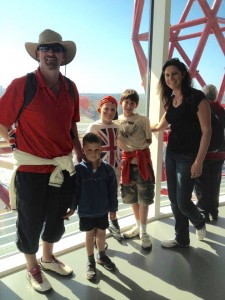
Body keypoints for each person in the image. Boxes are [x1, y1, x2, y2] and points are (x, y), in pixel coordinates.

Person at [0, 29, 83, 292]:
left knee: (57, 218)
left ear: (63, 55)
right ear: (38, 53)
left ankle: (47, 258)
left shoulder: (70, 88)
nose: (51, 53)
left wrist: (79, 150)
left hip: (62, 167)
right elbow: (2, 120)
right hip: (32, 170)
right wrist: (12, 139)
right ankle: (32, 267)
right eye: (45, 48)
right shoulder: (22, 85)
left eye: (56, 49)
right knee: (30, 220)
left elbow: (71, 123)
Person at [151, 58, 211, 248]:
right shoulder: (170, 99)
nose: (170, 78)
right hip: (172, 154)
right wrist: (136, 126)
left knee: (183, 201)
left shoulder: (196, 97)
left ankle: (199, 221)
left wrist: (198, 162)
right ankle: (181, 238)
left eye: (174, 74)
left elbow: (207, 131)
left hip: (189, 156)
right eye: (167, 75)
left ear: (183, 74)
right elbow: (161, 125)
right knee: (173, 199)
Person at [65, 133, 117, 281]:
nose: (93, 154)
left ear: (101, 149)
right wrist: (72, 208)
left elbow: (112, 191)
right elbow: (75, 192)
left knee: (101, 234)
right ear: (83, 150)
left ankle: (101, 256)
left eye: (97, 150)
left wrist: (113, 209)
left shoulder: (107, 170)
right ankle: (90, 260)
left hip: (102, 211)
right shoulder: (79, 171)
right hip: (86, 212)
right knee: (89, 235)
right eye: (89, 150)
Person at [116, 89, 155, 250]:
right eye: (127, 102)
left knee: (144, 198)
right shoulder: (116, 121)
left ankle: (144, 231)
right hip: (127, 163)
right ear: (121, 102)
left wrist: (136, 150)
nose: (129, 105)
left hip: (142, 163)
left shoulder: (143, 120)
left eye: (132, 103)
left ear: (136, 104)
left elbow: (148, 140)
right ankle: (138, 226)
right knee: (132, 198)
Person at [87, 96, 123, 241]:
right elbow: (89, 150)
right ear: (99, 109)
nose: (109, 112)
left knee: (113, 196)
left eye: (113, 109)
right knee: (99, 199)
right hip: (99, 170)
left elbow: (119, 147)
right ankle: (97, 234)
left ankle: (113, 222)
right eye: (106, 108)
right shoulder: (94, 127)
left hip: (114, 169)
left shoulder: (117, 127)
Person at [195, 84, 225, 222]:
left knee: (201, 184)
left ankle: (203, 212)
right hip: (220, 154)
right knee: (215, 182)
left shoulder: (202, 109)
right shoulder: (221, 110)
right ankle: (214, 210)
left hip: (205, 153)